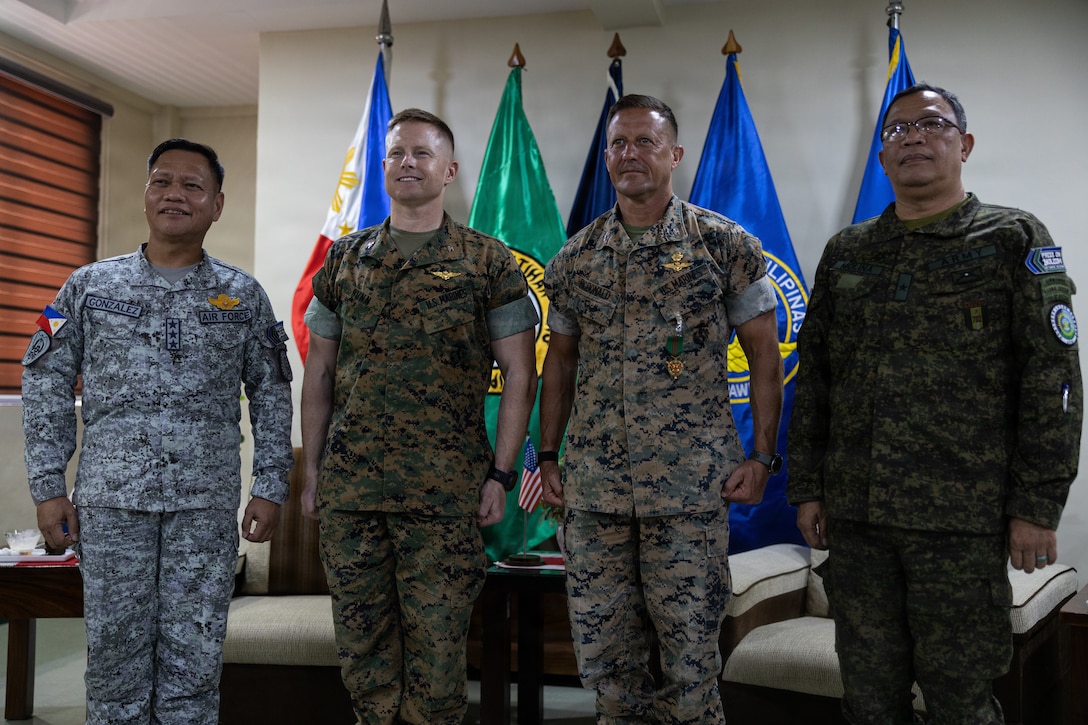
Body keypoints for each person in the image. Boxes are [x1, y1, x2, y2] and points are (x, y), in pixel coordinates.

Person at [788, 83, 1082, 724]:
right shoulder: (848, 252)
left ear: (964, 144)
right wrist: (808, 485)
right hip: (859, 523)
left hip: (961, 525)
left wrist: (1037, 506)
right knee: (868, 700)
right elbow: (815, 379)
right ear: (883, 154)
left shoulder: (1013, 238)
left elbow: (1053, 381)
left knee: (960, 704)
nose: (914, 137)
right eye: (897, 130)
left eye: (932, 124)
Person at [21, 138, 295, 724]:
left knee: (193, 661)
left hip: (204, 506)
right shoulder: (88, 287)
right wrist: (48, 486)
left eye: (193, 186)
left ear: (217, 204)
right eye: (162, 182)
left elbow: (271, 393)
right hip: (111, 505)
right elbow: (43, 378)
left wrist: (270, 486)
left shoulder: (243, 296)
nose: (176, 195)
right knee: (114, 660)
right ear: (145, 195)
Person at [538, 94, 784, 724]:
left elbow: (764, 356)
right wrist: (546, 455)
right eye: (618, 143)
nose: (629, 155)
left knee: (690, 667)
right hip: (595, 496)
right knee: (610, 669)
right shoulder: (575, 259)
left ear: (674, 154)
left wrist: (762, 457)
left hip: (689, 494)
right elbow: (559, 365)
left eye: (645, 142)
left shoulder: (724, 246)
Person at [300, 107, 538, 724]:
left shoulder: (489, 262)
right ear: (383, 167)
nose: (408, 163)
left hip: (443, 496)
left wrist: (503, 473)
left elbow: (520, 373)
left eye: (422, 153)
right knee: (364, 662)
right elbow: (319, 374)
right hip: (353, 495)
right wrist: (315, 473)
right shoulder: (346, 261)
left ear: (449, 169)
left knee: (435, 669)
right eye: (397, 153)